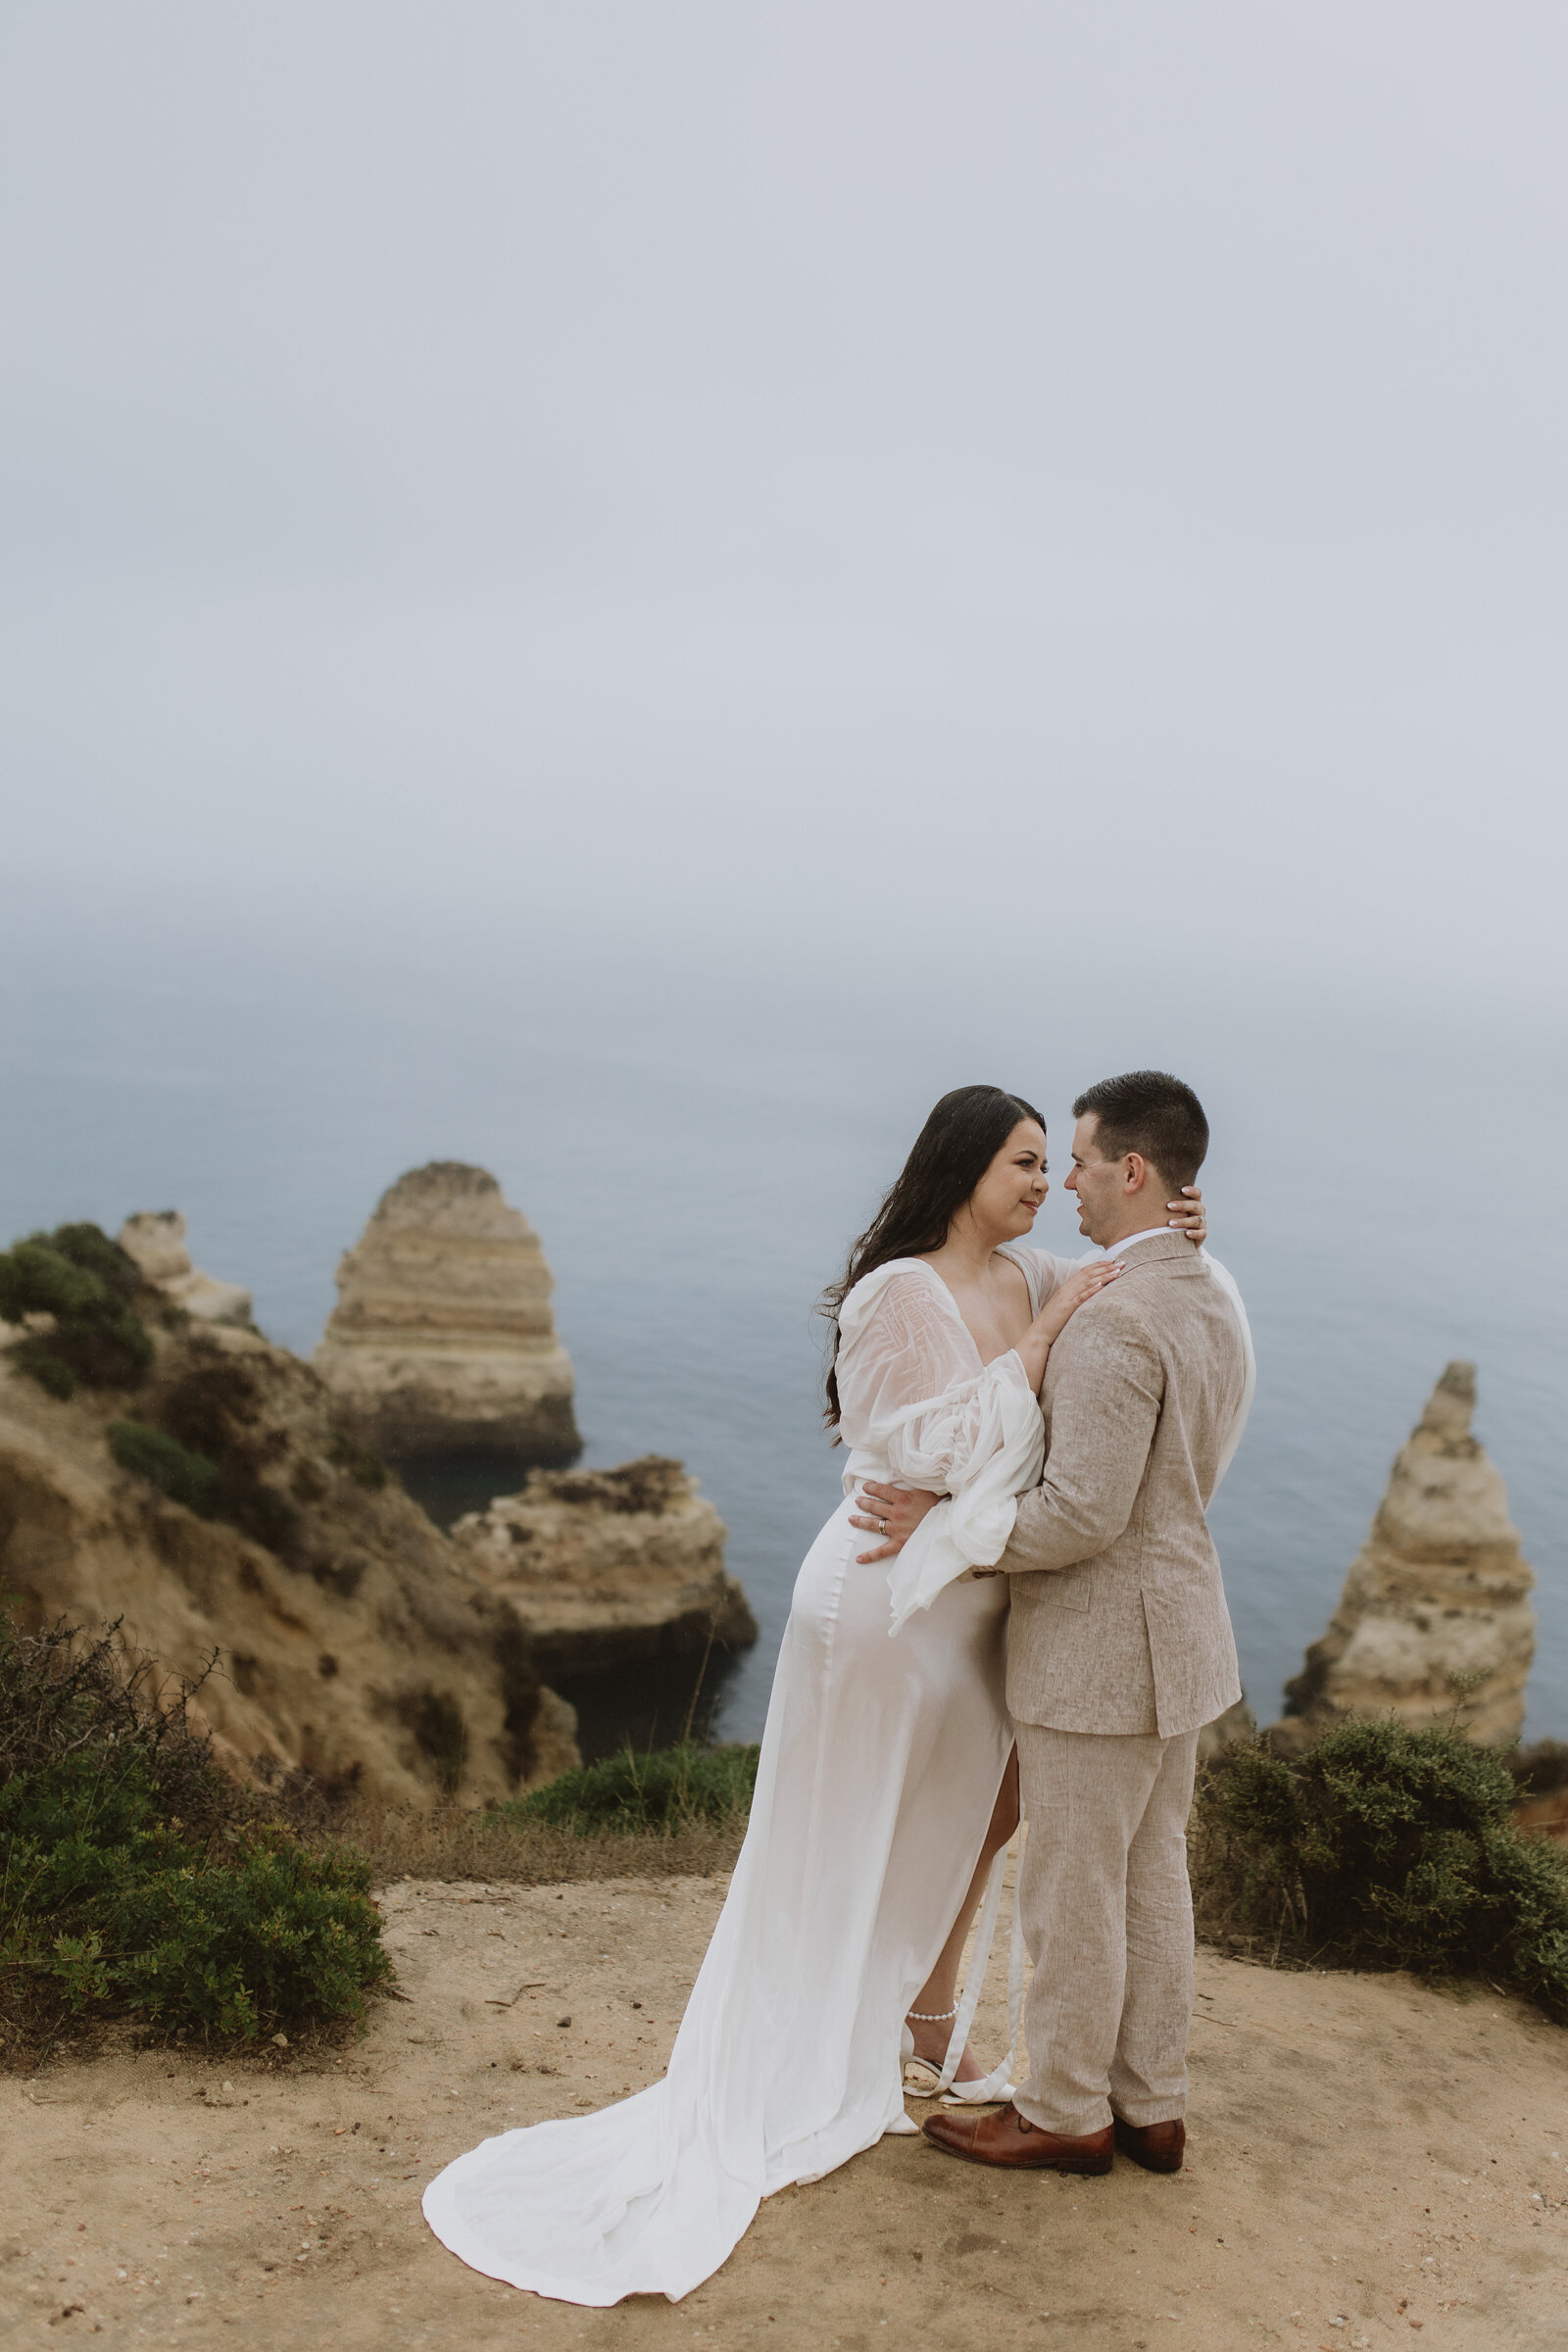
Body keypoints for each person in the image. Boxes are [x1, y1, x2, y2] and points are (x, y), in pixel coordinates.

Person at [422, 1084, 1209, 2305]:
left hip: (968, 1603)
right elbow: (909, 1449)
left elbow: (1131, 1251)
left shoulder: (1037, 1273)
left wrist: (1173, 1229)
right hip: (884, 1599)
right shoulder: (901, 1289)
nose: (1044, 1182)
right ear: (960, 1166)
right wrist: (1038, 1359)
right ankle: (856, 2040)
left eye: (1058, 1164)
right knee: (847, 1824)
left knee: (976, 1818)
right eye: (1020, 1161)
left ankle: (917, 2021)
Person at [857, 1071, 1253, 2180]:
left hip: (1098, 1652)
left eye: (1077, 1160)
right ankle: (1150, 2106)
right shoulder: (1204, 1293)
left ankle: (1064, 2111)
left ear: (1132, 1170)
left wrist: (954, 1521)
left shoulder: (1114, 1322)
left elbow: (1080, 1513)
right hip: (1181, 1637)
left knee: (1072, 1889)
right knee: (1150, 1876)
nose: (1066, 1180)